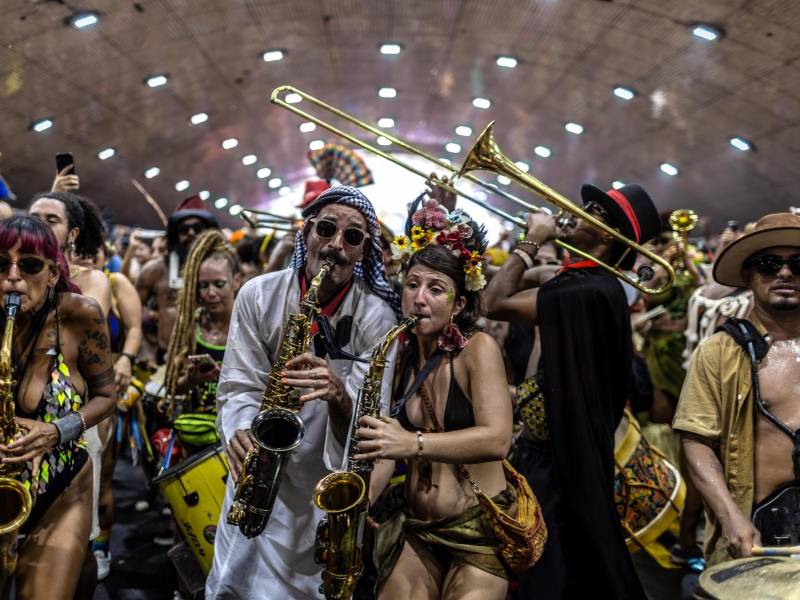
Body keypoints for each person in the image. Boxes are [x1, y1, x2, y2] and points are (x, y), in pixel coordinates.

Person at [206, 186, 400, 599]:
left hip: (319, 486)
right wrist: (241, 433)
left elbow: (371, 423)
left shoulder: (377, 316)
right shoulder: (258, 294)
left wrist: (339, 395)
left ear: (365, 250)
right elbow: (240, 382)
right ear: (307, 232)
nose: (335, 246)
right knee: (231, 584)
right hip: (256, 468)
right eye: (326, 229)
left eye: (352, 237)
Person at [355, 199, 540, 599]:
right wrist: (363, 500)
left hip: (478, 529)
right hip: (416, 526)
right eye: (412, 284)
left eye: (436, 289)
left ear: (458, 305)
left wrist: (413, 443)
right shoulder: (398, 351)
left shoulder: (479, 348)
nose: (420, 298)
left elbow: (496, 440)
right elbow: (389, 445)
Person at [483, 184, 662, 599]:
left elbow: (491, 303)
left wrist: (531, 242)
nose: (575, 212)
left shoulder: (585, 291)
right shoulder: (588, 283)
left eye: (592, 210)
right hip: (554, 453)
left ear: (606, 234)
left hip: (556, 465)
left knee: (551, 572)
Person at [674, 213, 800, 566]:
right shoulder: (719, 352)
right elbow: (696, 439)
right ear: (749, 275)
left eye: (798, 263)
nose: (785, 274)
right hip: (755, 532)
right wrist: (730, 515)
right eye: (769, 264)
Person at [0, 215, 115, 599]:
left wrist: (55, 430)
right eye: (1, 264)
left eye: (30, 265)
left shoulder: (80, 314)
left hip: (62, 485)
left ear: (52, 272)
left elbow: (106, 397)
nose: (13, 276)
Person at [164, 229, 240, 452]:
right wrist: (191, 380)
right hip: (195, 433)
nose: (210, 293)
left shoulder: (248, 326)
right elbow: (173, 389)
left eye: (219, 284)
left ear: (236, 281)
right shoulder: (189, 326)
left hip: (236, 434)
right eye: (203, 285)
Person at [136, 195, 218, 363]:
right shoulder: (155, 270)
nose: (191, 233)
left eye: (197, 228)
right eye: (184, 229)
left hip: (212, 359)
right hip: (166, 360)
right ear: (175, 234)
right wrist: (144, 348)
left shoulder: (222, 270)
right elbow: (129, 315)